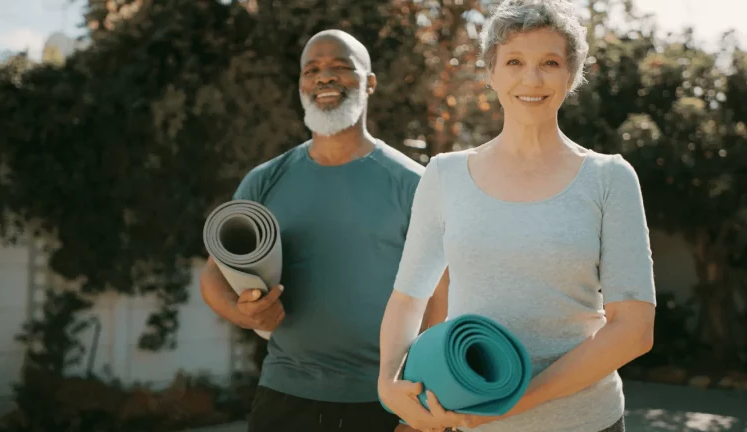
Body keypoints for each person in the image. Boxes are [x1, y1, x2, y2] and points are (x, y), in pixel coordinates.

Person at [377, 1, 657, 431]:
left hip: (587, 423)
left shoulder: (609, 178)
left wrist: (511, 403)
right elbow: (409, 298)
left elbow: (634, 329)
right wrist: (387, 383)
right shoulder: (445, 175)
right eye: (514, 62)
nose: (532, 78)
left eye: (550, 62)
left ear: (571, 75)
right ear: (491, 73)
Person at [199, 29, 448, 432]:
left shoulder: (414, 184)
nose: (324, 77)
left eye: (340, 67)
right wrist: (241, 313)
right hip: (284, 395)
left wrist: (418, 409)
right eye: (311, 70)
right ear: (301, 84)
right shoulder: (265, 180)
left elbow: (442, 295)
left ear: (369, 82)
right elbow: (213, 275)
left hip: (385, 400)